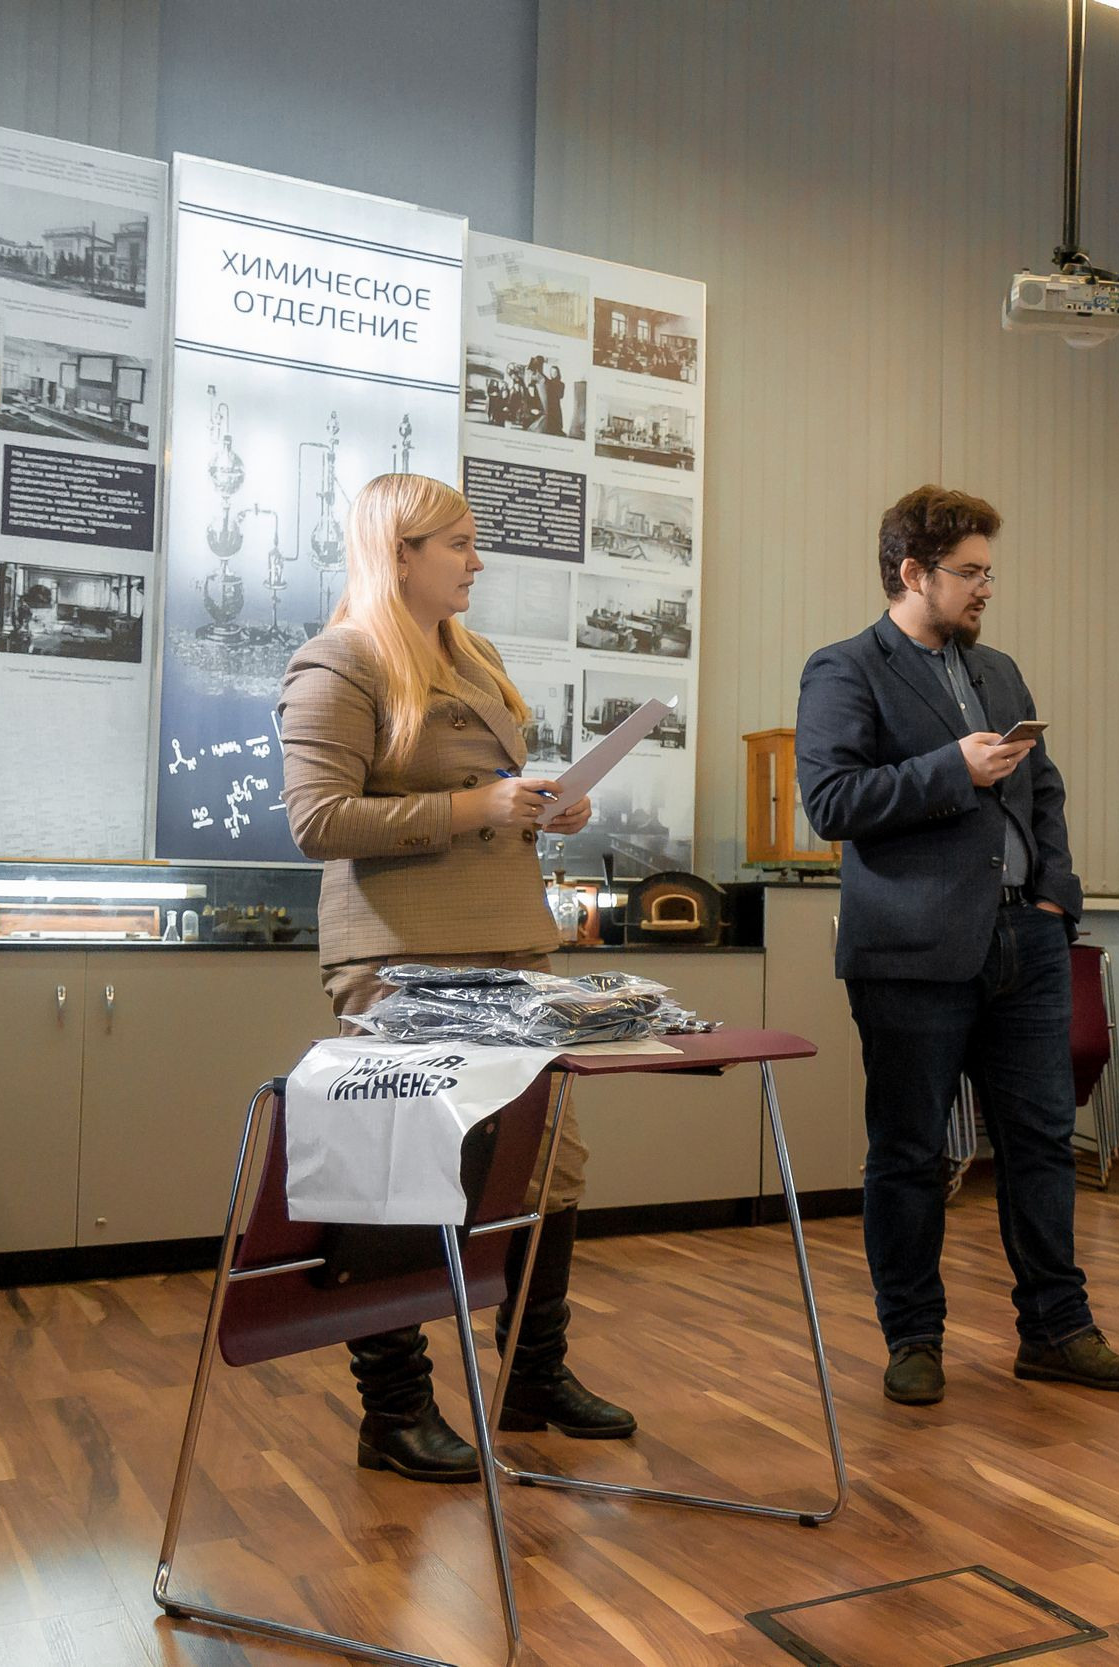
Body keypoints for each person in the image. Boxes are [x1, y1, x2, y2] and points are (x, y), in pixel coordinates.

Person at [277, 472, 637, 1483]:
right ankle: (393, 1411)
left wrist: (544, 806)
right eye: (458, 543)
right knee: (403, 1168)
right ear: (398, 552)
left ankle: (534, 1375)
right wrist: (477, 807)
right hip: (402, 957)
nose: (477, 560)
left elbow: (483, 798)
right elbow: (318, 823)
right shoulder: (339, 661)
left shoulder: (469, 655)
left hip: (510, 942)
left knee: (546, 1163)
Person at [794, 484, 1119, 1407]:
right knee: (909, 1151)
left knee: (1039, 1141)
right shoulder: (844, 670)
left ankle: (1058, 1330)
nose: (985, 588)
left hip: (1024, 943)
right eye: (969, 572)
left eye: (989, 571)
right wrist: (948, 769)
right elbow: (833, 804)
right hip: (912, 950)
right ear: (912, 572)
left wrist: (1052, 900)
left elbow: (1045, 794)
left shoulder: (1000, 672)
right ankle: (913, 1338)